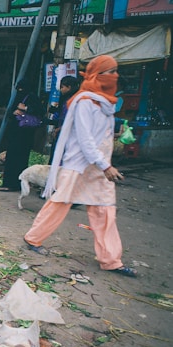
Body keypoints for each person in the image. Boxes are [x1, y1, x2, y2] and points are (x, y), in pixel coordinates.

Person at [23, 55, 137, 278]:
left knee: (104, 212)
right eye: (110, 72)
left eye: (115, 71)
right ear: (98, 75)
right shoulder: (85, 101)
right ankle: (33, 238)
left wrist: (105, 163)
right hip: (79, 164)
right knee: (59, 204)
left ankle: (111, 260)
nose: (115, 76)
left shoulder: (105, 102)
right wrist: (105, 166)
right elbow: (85, 140)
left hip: (98, 167)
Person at [0, 79, 43, 192]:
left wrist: (26, 109)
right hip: (15, 133)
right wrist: (14, 112)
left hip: (25, 135)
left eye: (21, 88)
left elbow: (40, 111)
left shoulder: (32, 97)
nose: (20, 91)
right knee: (12, 157)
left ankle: (18, 183)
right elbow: (10, 112)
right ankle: (9, 183)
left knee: (21, 159)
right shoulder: (17, 98)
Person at [49, 75, 80, 165]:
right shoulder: (65, 99)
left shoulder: (72, 100)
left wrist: (59, 128)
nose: (61, 90)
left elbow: (71, 119)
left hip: (68, 134)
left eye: (62, 87)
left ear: (69, 87)